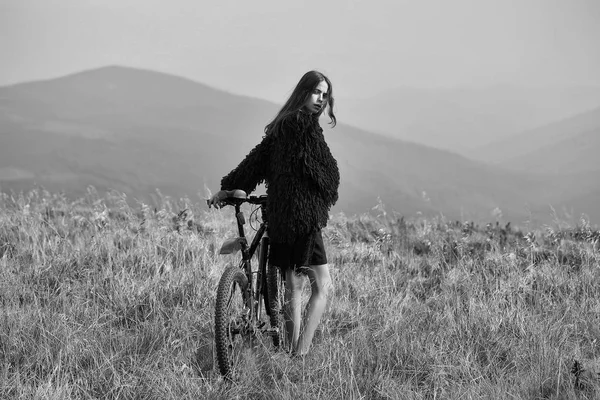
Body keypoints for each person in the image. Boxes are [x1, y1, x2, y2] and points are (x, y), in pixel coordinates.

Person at [208, 70, 340, 357]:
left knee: (293, 289)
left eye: (325, 94)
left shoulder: (281, 126)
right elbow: (326, 172)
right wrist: (324, 191)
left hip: (280, 218)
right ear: (303, 92)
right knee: (323, 287)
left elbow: (255, 162)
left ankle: (291, 355)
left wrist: (228, 189)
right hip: (304, 219)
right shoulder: (305, 126)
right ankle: (300, 354)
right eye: (317, 92)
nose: (321, 99)